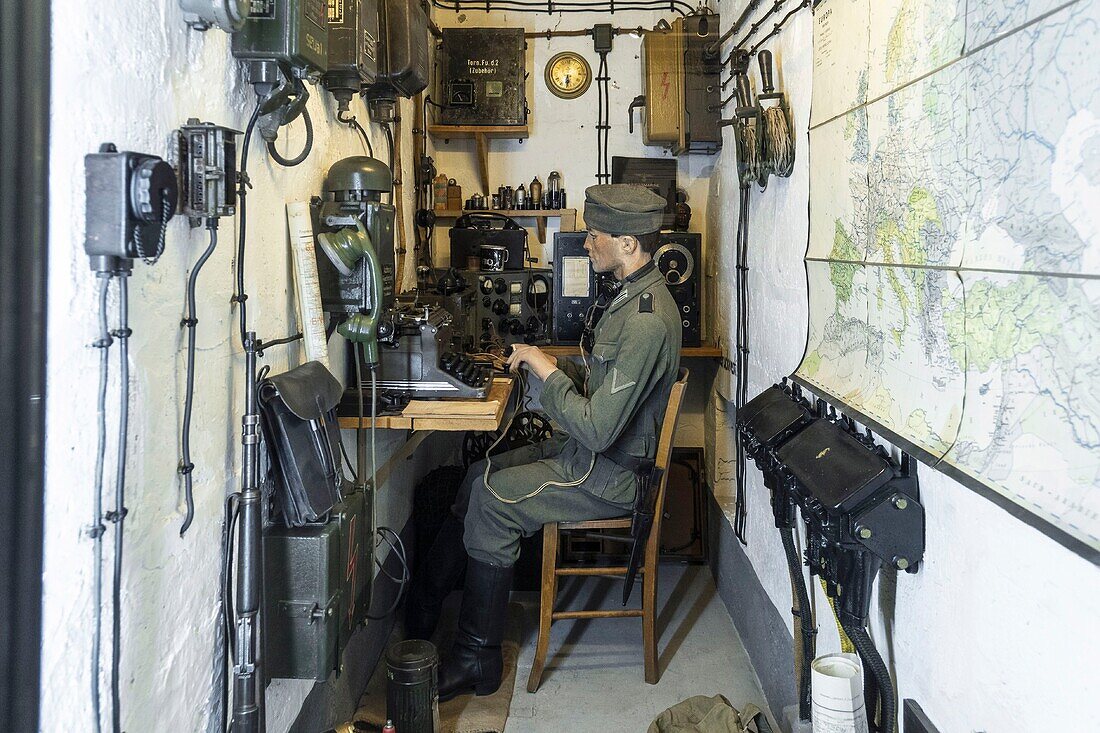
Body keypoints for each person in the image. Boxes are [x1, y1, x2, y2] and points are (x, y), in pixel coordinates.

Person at [405, 184, 682, 701]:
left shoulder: (647, 320)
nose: (588, 243)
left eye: (596, 235)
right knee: (474, 477)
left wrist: (546, 369)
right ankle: (423, 609)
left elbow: (600, 427)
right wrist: (550, 364)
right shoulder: (630, 297)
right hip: (591, 455)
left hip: (609, 474)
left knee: (493, 500)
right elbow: (606, 379)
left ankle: (475, 660)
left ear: (627, 244)